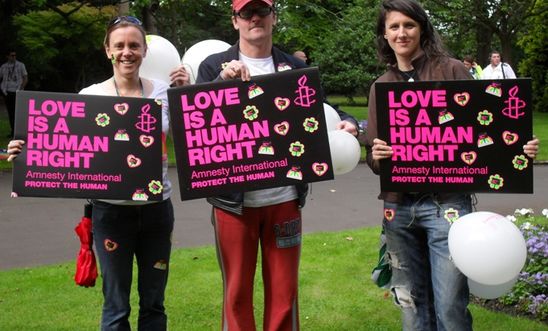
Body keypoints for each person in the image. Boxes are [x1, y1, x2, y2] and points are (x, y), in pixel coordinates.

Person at [364, 1, 539, 330]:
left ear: (422, 29)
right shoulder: (381, 87)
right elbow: (375, 160)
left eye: (409, 25)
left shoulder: (452, 70)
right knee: (413, 308)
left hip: (447, 204)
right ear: (384, 35)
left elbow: (487, 127)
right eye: (394, 27)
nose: (402, 33)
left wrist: (519, 149)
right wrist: (379, 155)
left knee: (450, 306)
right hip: (398, 208)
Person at [7, 16, 189, 330]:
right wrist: (26, 154)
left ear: (145, 50)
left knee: (154, 304)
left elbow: (191, 141)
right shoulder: (90, 96)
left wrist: (187, 96)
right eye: (119, 45)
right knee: (116, 305)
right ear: (107, 50)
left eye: (134, 45)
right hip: (111, 214)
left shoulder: (163, 92)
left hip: (158, 212)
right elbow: (62, 145)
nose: (127, 52)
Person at [187, 1, 357, 330]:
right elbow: (196, 120)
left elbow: (325, 108)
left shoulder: (293, 67)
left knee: (284, 294)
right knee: (236, 293)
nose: (254, 18)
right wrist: (224, 80)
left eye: (261, 11)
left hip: (284, 200)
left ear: (273, 18)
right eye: (246, 12)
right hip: (232, 203)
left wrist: (349, 121)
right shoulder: (213, 65)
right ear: (234, 20)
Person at [0, 50, 28, 138]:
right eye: (12, 55)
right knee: (10, 113)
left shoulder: (20, 65)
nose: (14, 57)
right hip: (7, 92)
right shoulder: (3, 67)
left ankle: (19, 132)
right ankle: (13, 132)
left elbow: (25, 78)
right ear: (7, 56)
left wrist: (20, 89)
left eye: (15, 55)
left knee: (18, 113)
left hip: (17, 92)